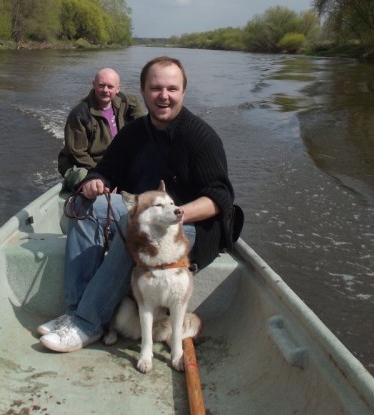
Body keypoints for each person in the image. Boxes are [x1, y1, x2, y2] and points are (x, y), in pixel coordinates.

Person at [40, 56, 235, 352]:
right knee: (84, 206)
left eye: (172, 88)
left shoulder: (201, 137)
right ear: (142, 92)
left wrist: (175, 216)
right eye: (156, 88)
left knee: (130, 224)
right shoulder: (134, 133)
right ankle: (77, 310)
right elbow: (107, 169)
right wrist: (96, 181)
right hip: (146, 215)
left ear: (183, 91)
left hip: (193, 227)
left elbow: (220, 199)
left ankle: (87, 323)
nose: (164, 96)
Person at [57, 68, 145, 191]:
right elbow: (77, 154)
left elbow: (141, 115)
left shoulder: (124, 101)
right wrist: (103, 173)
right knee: (93, 186)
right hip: (81, 164)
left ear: (118, 89)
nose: (105, 90)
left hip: (111, 161)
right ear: (94, 85)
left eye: (110, 87)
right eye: (101, 86)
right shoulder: (79, 114)